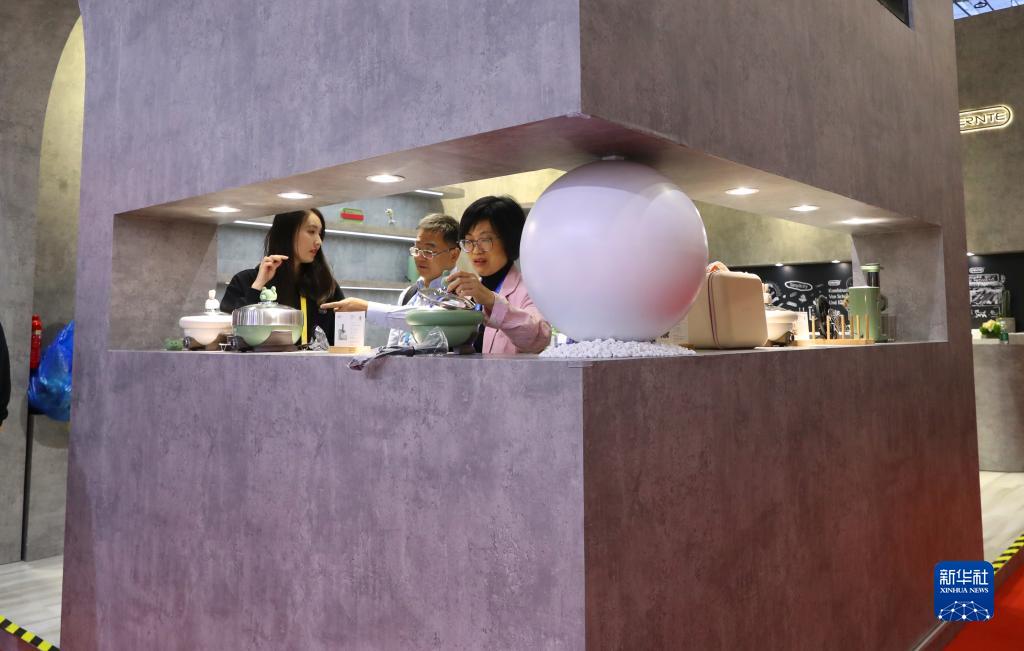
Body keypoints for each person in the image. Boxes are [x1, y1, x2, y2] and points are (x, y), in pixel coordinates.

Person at [322, 213, 461, 346]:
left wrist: (366, 307)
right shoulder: (409, 294)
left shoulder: (461, 292)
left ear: (453, 255)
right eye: (417, 249)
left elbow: (429, 318)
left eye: (428, 251)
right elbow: (393, 346)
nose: (419, 257)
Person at [221, 208, 344, 344]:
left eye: (320, 234)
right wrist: (258, 285)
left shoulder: (326, 286)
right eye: (311, 231)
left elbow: (343, 340)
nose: (319, 241)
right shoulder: (245, 280)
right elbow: (229, 334)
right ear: (287, 233)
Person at [446, 196, 550, 354]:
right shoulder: (466, 294)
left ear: (509, 240)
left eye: (484, 240)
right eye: (469, 241)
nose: (476, 250)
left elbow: (537, 339)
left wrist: (491, 301)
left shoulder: (531, 290)